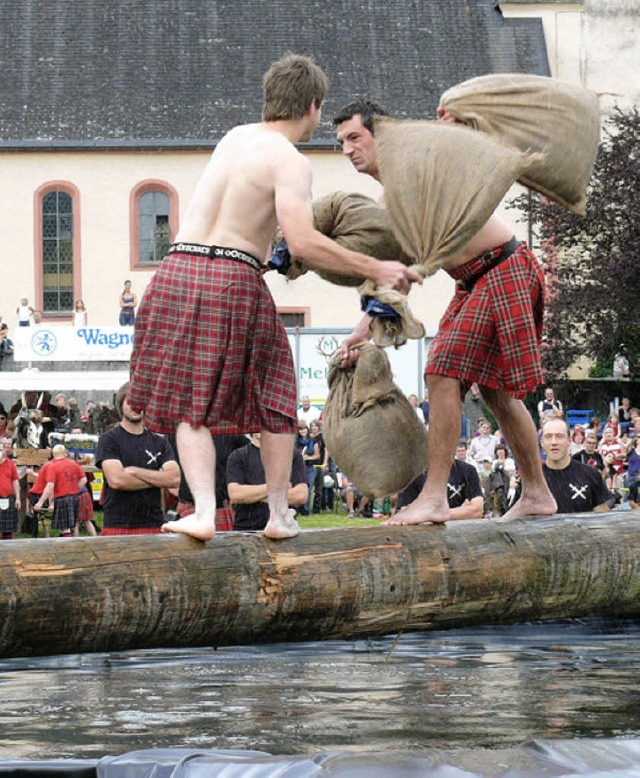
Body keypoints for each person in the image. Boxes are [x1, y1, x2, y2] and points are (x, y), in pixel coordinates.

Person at [128, 55, 420, 542]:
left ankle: (202, 511)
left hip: (175, 269)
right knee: (277, 392)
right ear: (312, 105)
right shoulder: (290, 160)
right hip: (230, 274)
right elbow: (302, 241)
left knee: (190, 403)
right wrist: (376, 267)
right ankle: (280, 512)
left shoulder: (234, 138)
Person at [334, 98, 556, 525]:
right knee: (495, 390)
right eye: (341, 141)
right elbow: (394, 274)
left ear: (381, 135)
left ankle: (435, 497)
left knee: (441, 371)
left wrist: (456, 124)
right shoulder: (390, 198)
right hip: (477, 278)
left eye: (355, 137)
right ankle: (537, 493)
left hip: (503, 267)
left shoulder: (415, 170)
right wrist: (361, 330)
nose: (347, 149)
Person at [95, 382, 180, 535]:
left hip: (153, 523)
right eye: (130, 401)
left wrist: (134, 471)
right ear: (120, 405)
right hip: (118, 523)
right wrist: (157, 478)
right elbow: (117, 480)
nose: (135, 406)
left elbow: (174, 479)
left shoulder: (160, 441)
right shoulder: (109, 439)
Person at [226, 433, 307, 532]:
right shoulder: (237, 456)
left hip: (284, 528)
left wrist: (252, 496)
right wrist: (277, 488)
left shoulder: (291, 455)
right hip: (246, 530)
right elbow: (236, 495)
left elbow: (300, 496)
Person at [536, 417, 612, 513]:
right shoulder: (532, 479)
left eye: (559, 436)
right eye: (548, 436)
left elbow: (603, 518)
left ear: (569, 440)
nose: (553, 442)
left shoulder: (590, 475)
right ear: (542, 442)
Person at [396, 455, 484, 520]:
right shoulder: (412, 473)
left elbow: (477, 510)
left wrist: (429, 514)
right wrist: (461, 511)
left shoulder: (468, 470)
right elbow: (406, 512)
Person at [33, 444, 87, 537]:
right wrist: (75, 490)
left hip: (62, 498)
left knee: (64, 527)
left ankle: (66, 547)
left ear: (53, 454)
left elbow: (50, 485)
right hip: (74, 498)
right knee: (69, 525)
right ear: (65, 453)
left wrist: (40, 502)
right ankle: (67, 545)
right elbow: (84, 480)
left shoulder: (53, 466)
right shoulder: (74, 463)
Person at [0, 439, 21, 539]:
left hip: (8, 498)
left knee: (8, 530)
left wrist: (18, 498)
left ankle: (8, 552)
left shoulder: (10, 463)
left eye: (1, 449)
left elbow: (15, 481)